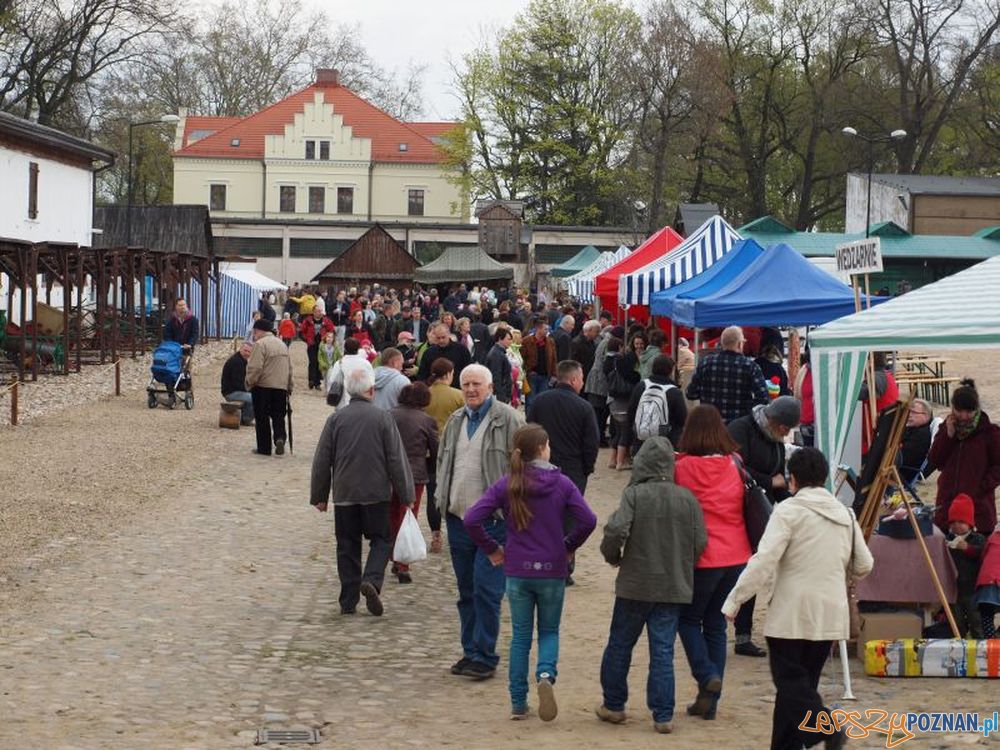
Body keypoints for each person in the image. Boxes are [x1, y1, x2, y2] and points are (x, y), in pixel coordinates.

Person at [721, 448, 873, 750]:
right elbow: (865, 563)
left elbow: (764, 560)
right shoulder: (845, 513)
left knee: (790, 684)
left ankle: (827, 728)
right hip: (829, 614)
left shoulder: (788, 511)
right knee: (800, 689)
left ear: (793, 480)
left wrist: (734, 600)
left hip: (790, 615)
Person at [464, 424, 596, 721]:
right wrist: (569, 546)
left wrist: (493, 549)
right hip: (552, 568)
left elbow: (473, 518)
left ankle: (518, 702)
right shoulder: (562, 484)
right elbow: (588, 519)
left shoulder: (508, 483)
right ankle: (546, 673)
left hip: (518, 569)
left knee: (521, 636)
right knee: (548, 630)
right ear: (543, 448)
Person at [597, 437, 707, 734]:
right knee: (662, 651)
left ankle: (614, 704)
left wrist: (613, 557)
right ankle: (662, 714)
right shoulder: (688, 499)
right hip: (672, 586)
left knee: (620, 645)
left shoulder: (634, 494)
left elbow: (616, 529)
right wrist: (683, 565)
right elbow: (700, 542)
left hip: (635, 582)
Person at [437, 364, 525, 680]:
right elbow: (444, 462)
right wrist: (441, 500)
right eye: (466, 384)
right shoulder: (456, 420)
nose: (471, 390)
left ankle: (485, 655)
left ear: (490, 387)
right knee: (466, 590)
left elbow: (527, 467)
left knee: (487, 589)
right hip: (459, 518)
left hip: (495, 521)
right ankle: (471, 651)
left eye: (477, 384)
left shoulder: (508, 419)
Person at [310, 367, 415, 616]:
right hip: (376, 492)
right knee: (381, 539)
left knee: (347, 543)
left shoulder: (336, 419)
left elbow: (322, 460)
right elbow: (396, 459)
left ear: (348, 390)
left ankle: (348, 599)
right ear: (371, 390)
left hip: (345, 493)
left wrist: (320, 496)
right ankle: (371, 579)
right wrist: (406, 493)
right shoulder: (383, 418)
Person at [673, 405, 750, 721]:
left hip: (703, 556)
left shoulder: (682, 467)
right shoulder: (734, 462)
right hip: (737, 554)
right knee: (716, 624)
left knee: (688, 620)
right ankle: (710, 700)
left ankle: (706, 676)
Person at [725, 395, 800, 659]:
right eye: (784, 428)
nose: (786, 433)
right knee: (735, 571)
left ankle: (743, 635)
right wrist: (771, 482)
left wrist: (796, 504)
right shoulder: (741, 428)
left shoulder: (776, 441)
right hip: (734, 510)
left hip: (759, 511)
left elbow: (780, 480)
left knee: (753, 569)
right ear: (773, 420)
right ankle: (717, 622)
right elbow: (734, 468)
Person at [929, 378, 1000, 535]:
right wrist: (948, 435)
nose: (963, 416)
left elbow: (998, 467)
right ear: (953, 408)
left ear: (976, 409)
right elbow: (935, 460)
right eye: (959, 411)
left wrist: (980, 488)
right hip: (947, 505)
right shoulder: (945, 428)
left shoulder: (990, 432)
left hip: (978, 507)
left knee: (976, 553)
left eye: (969, 411)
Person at [390, 383, 439, 584]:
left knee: (392, 515)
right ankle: (403, 563)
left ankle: (395, 554)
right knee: (408, 516)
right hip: (415, 473)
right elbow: (436, 449)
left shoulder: (389, 414)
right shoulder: (427, 420)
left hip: (390, 472)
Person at [685, 326, 768, 424]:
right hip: (738, 427)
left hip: (710, 426)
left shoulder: (705, 363)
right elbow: (763, 397)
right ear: (739, 344)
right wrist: (747, 410)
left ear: (722, 343)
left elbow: (690, 394)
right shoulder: (751, 366)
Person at [424, 358, 465, 554]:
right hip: (452, 448)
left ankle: (436, 535)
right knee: (452, 491)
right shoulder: (458, 395)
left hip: (427, 451)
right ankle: (457, 532)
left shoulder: (425, 393)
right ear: (449, 374)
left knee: (432, 492)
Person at [245, 319, 293, 456]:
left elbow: (255, 367)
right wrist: (289, 385)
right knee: (279, 415)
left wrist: (250, 382)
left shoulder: (260, 344)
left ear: (258, 331)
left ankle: (264, 448)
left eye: (254, 332)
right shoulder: (282, 345)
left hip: (263, 386)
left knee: (262, 417)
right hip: (281, 386)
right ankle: (279, 438)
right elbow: (289, 367)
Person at [945, 494, 986, 638]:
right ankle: (960, 645)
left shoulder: (977, 538)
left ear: (970, 523)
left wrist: (967, 547)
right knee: (957, 623)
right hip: (954, 589)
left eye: (961, 522)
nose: (957, 525)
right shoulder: (947, 538)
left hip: (972, 589)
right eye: (953, 522)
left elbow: (982, 553)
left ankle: (980, 649)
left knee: (976, 621)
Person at [628, 354, 687, 448]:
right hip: (666, 441)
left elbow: (631, 411)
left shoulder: (641, 386)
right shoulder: (674, 392)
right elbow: (682, 418)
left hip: (641, 440)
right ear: (670, 371)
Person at [604, 337, 639, 471]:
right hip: (624, 405)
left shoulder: (613, 368)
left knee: (617, 432)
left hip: (613, 403)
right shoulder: (632, 376)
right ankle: (620, 462)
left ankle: (613, 460)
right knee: (625, 433)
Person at [859, 351, 899, 457]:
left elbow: (864, 392)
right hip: (879, 440)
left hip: (876, 444)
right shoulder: (884, 376)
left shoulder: (878, 377)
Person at [415, 322, 472, 386]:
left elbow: (468, 370)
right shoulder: (429, 352)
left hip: (457, 388)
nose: (441, 340)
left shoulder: (462, 350)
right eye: (438, 338)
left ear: (449, 334)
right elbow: (422, 375)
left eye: (443, 337)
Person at [521, 317, 557, 409]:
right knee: (530, 401)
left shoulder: (550, 342)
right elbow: (522, 359)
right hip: (532, 376)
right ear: (538, 329)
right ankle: (530, 421)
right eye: (545, 329)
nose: (547, 331)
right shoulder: (527, 341)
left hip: (545, 376)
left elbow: (553, 359)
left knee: (543, 402)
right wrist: (527, 370)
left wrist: (554, 374)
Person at [325, 338, 373, 407]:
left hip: (342, 404)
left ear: (345, 349)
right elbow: (371, 383)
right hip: (361, 403)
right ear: (358, 349)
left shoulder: (339, 364)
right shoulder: (366, 364)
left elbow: (332, 381)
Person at [898, 398, 934, 483]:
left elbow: (904, 458)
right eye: (909, 412)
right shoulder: (913, 428)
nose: (909, 415)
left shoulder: (921, 434)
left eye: (914, 412)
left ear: (926, 415)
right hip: (902, 468)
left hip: (904, 473)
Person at [220, 341, 255, 426]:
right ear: (240, 349)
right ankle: (246, 419)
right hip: (230, 392)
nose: (247, 353)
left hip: (236, 391)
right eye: (245, 350)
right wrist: (251, 390)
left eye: (249, 352)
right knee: (254, 398)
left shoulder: (242, 360)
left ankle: (244, 416)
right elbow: (238, 384)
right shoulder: (236, 362)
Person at [300, 308, 335, 390]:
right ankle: (311, 380)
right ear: (313, 312)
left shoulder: (326, 321)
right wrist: (306, 339)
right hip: (311, 344)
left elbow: (331, 330)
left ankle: (318, 382)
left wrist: (328, 339)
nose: (320, 313)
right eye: (318, 311)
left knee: (320, 362)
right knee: (312, 361)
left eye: (320, 311)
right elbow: (302, 331)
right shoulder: (308, 321)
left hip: (322, 345)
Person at [976, 529, 1000, 638]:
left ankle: (992, 643)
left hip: (987, 580)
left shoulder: (994, 536)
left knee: (986, 616)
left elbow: (983, 556)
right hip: (992, 579)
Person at [485, 327, 514, 404]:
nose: (510, 342)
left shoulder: (499, 352)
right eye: (508, 339)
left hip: (502, 393)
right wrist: (500, 397)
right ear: (500, 338)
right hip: (500, 395)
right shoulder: (497, 354)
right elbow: (496, 376)